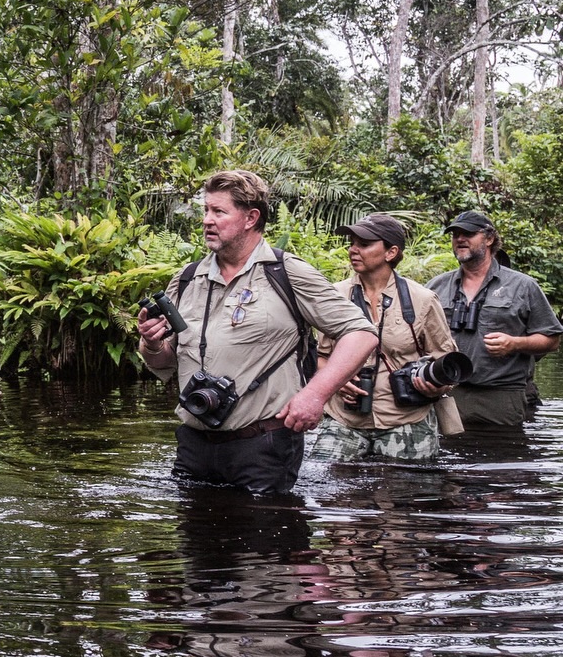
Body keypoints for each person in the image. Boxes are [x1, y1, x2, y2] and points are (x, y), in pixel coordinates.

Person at [137, 169, 377, 496]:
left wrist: (315, 394)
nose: (207, 220)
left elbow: (361, 333)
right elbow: (167, 364)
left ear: (251, 218)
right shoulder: (187, 278)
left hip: (263, 446)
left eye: (219, 211)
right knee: (195, 545)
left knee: (262, 542)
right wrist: (151, 343)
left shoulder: (287, 272)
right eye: (206, 210)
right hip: (194, 444)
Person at [312, 213, 465, 464]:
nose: (353, 250)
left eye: (364, 244)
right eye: (352, 243)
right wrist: (337, 381)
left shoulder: (422, 300)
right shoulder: (334, 295)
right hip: (344, 418)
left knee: (407, 494)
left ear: (391, 252)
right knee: (324, 487)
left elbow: (446, 361)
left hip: (406, 418)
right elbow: (320, 356)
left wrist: (436, 384)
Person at [427, 209, 562, 427]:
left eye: (468, 234)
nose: (460, 239)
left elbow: (552, 340)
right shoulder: (435, 286)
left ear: (489, 238)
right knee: (446, 457)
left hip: (501, 397)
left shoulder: (522, 286)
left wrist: (515, 343)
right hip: (447, 394)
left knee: (503, 456)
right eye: (455, 235)